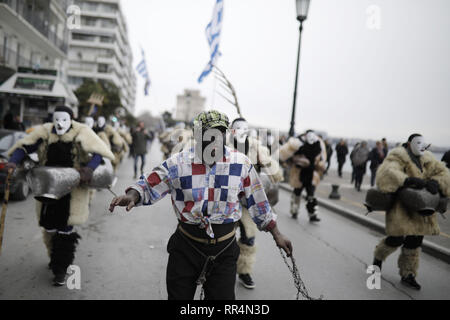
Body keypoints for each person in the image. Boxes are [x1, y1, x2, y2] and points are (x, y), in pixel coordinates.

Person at [109, 110, 292, 300]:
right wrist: (132, 195)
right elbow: (148, 184)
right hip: (186, 248)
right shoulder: (178, 163)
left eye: (220, 133)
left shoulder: (241, 164)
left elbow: (258, 203)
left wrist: (277, 234)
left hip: (224, 250)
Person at [5, 106, 114, 286]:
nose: (60, 123)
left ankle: (61, 267)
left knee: (65, 228)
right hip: (47, 185)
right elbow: (25, 146)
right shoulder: (45, 132)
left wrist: (89, 169)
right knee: (48, 227)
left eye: (64, 119)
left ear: (71, 119)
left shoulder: (82, 131)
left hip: (73, 188)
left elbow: (98, 153)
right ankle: (54, 258)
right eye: (57, 119)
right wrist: (12, 162)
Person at [372, 134, 450, 290]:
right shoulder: (397, 157)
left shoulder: (428, 159)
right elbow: (386, 173)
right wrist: (407, 180)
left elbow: (444, 173)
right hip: (401, 206)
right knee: (396, 239)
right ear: (409, 143)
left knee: (414, 242)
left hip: (422, 206)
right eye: (418, 142)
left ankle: (408, 274)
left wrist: (436, 182)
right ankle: (378, 258)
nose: (422, 146)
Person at [229, 117, 284, 289]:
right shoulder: (222, 146)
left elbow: (275, 173)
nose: (241, 131)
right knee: (221, 236)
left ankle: (244, 271)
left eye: (244, 128)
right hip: (225, 202)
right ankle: (215, 268)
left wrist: (265, 163)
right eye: (237, 128)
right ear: (231, 130)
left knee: (248, 237)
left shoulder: (256, 147)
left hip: (247, 202)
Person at [280, 130, 326, 222]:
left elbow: (321, 160)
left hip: (311, 174)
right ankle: (294, 211)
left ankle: (312, 214)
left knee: (311, 195)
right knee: (297, 193)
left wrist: (319, 165)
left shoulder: (317, 146)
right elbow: (290, 156)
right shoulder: (300, 145)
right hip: (299, 174)